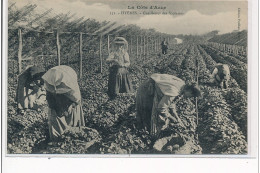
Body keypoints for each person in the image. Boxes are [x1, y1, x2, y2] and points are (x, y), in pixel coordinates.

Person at [136, 73, 201, 138]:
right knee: (146, 113)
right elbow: (161, 108)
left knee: (150, 115)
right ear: (189, 91)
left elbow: (171, 103)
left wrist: (176, 117)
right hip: (147, 89)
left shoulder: (182, 84)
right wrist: (171, 117)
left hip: (151, 83)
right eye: (191, 96)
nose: (189, 98)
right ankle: (143, 136)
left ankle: (145, 133)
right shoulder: (174, 90)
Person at [42, 65, 85, 141]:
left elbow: (76, 100)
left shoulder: (71, 85)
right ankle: (58, 139)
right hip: (55, 103)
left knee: (73, 121)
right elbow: (50, 100)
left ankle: (73, 136)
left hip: (70, 103)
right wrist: (58, 109)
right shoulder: (49, 82)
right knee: (55, 119)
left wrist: (71, 106)